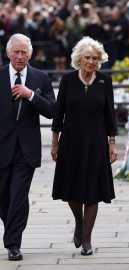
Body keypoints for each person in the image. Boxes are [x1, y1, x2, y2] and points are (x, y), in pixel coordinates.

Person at [51, 36, 118, 256]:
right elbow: (59, 112)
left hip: (97, 141)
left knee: (92, 191)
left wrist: (112, 143)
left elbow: (110, 114)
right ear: (79, 58)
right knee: (71, 189)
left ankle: (87, 238)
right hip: (71, 141)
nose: (90, 61)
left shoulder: (104, 81)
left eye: (94, 58)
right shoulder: (68, 80)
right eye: (87, 57)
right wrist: (54, 142)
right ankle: (79, 224)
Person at [0, 33, 56, 261]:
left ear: (31, 54)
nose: (20, 56)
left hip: (27, 149)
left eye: (24, 52)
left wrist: (31, 94)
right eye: (16, 52)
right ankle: (12, 229)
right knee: (4, 197)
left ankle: (13, 243)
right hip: (1, 147)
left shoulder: (40, 78)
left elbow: (53, 110)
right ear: (8, 53)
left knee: (19, 196)